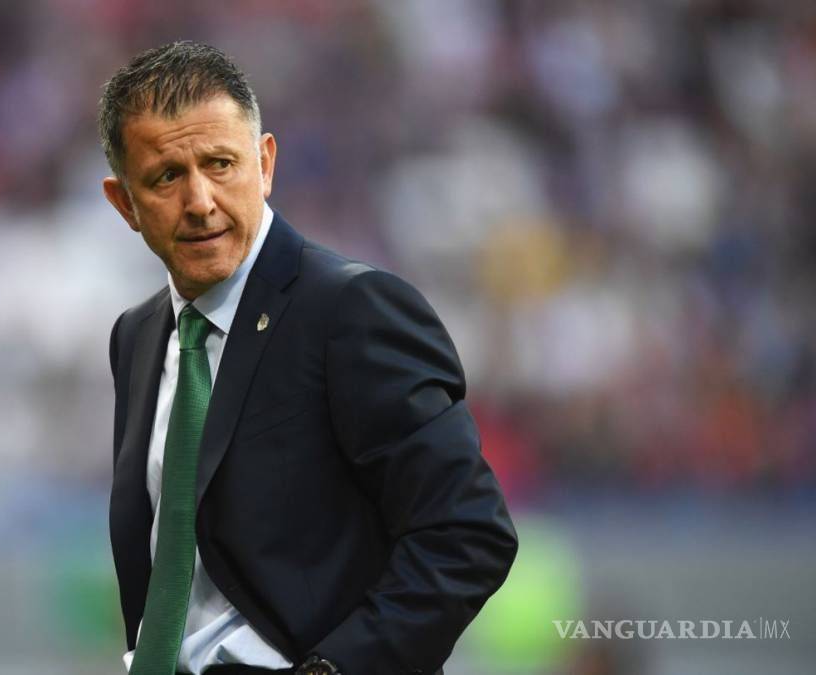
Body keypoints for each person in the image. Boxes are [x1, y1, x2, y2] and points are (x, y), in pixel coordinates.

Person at [99, 41, 517, 675]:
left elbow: (467, 532)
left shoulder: (351, 310)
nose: (201, 201)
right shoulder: (136, 337)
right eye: (166, 177)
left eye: (220, 164)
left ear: (265, 164)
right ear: (124, 202)